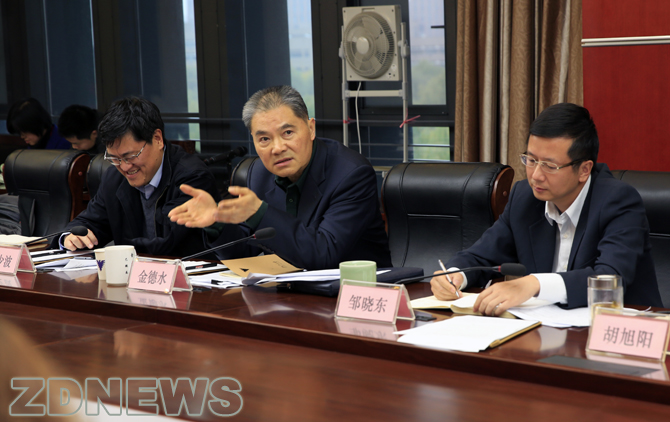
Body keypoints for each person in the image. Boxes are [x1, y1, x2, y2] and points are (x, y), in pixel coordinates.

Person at [430, 103, 662, 314]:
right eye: (531, 160)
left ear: (584, 170)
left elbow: (609, 280)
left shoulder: (619, 201)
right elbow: (482, 255)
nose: (536, 176)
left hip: (621, 331)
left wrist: (535, 284)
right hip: (548, 330)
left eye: (550, 165)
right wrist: (455, 275)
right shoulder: (524, 197)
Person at [169, 85, 391, 270]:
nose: (277, 148)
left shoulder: (351, 174)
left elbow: (325, 253)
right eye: (264, 139)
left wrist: (259, 213)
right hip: (285, 293)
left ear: (311, 128)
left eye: (288, 133)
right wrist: (216, 222)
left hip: (350, 293)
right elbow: (244, 253)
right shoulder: (258, 173)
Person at [55, 97, 220, 257]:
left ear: (157, 139)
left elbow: (167, 243)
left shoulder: (192, 178)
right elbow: (90, 222)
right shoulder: (114, 177)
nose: (125, 167)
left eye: (130, 156)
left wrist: (119, 250)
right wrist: (70, 238)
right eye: (114, 158)